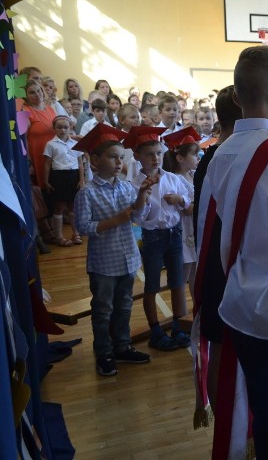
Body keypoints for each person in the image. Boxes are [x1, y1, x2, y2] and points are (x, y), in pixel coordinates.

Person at [197, 45, 268, 458]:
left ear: (235, 97)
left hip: (235, 297)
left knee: (247, 392)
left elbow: (208, 230)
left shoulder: (220, 154)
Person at [73, 123, 155, 376]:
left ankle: (122, 346)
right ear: (95, 160)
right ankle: (104, 352)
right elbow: (83, 227)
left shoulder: (125, 187)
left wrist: (142, 193)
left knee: (124, 306)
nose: (119, 162)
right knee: (103, 310)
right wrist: (116, 220)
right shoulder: (87, 193)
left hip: (128, 259)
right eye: (112, 157)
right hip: (103, 264)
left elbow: (138, 215)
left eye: (121, 158)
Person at [192, 85, 242, 413]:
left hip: (212, 266)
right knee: (226, 349)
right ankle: (229, 425)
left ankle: (226, 424)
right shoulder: (229, 159)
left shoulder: (208, 158)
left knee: (222, 347)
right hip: (226, 267)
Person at [126, 126, 191, 352]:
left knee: (176, 283)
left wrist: (179, 199)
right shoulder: (135, 184)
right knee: (152, 285)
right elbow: (137, 216)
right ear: (137, 157)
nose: (155, 158)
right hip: (152, 237)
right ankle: (155, 330)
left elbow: (189, 199)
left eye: (159, 153)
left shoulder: (172, 178)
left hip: (174, 234)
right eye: (149, 154)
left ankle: (178, 325)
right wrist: (143, 193)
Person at [163, 127, 201, 307]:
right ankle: (179, 317)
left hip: (195, 229)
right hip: (184, 231)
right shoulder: (175, 179)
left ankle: (197, 311)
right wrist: (189, 203)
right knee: (182, 275)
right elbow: (188, 210)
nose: (198, 158)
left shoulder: (194, 175)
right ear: (180, 158)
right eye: (195, 154)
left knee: (197, 274)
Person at [44, 116, 85, 246]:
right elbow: (47, 164)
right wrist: (46, 181)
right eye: (59, 127)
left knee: (73, 206)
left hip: (73, 176)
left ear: (70, 128)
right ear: (54, 128)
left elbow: (80, 163)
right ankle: (59, 236)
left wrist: (82, 179)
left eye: (66, 127)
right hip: (58, 176)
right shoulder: (51, 144)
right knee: (59, 206)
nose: (63, 130)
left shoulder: (75, 144)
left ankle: (76, 233)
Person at [20, 80, 58, 189]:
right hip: (37, 156)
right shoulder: (25, 111)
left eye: (39, 90)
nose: (37, 94)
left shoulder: (50, 108)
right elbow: (23, 139)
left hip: (54, 155)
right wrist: (28, 161)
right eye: (32, 92)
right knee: (43, 190)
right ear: (26, 96)